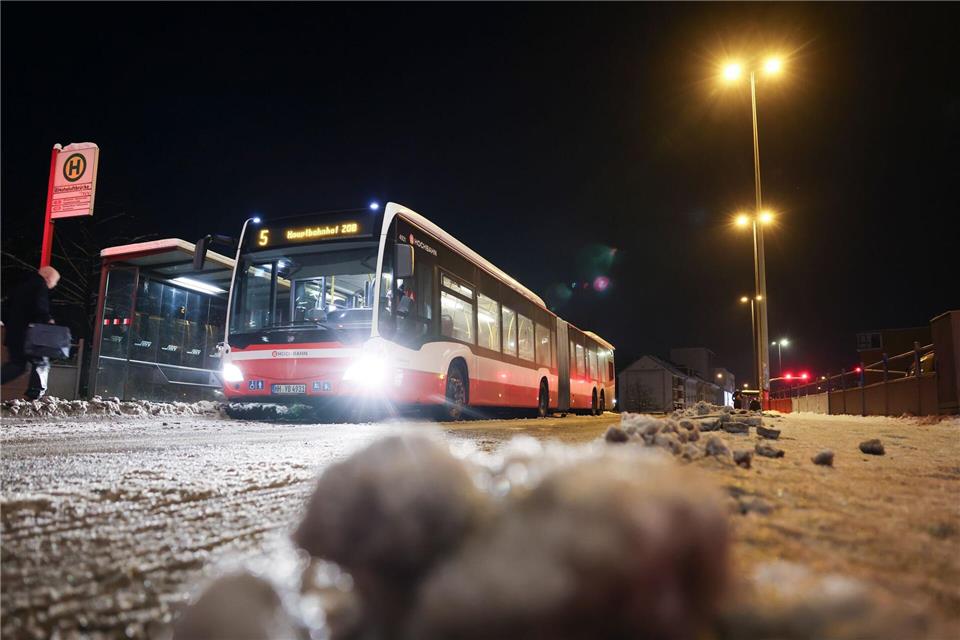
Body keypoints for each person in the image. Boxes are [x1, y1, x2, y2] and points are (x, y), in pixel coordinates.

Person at [1, 266, 60, 399]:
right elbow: (40, 306)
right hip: (27, 334)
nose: (54, 285)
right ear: (48, 277)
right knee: (39, 361)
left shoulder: (22, 285)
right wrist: (48, 320)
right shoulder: (39, 285)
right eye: (55, 281)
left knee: (17, 364)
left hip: (14, 333)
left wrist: (10, 324)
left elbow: (5, 307)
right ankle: (35, 393)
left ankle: (34, 392)